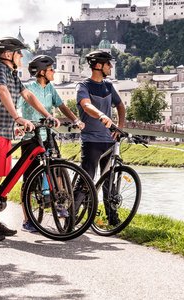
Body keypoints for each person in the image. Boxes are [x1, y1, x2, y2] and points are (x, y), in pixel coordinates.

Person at [0, 36, 54, 241]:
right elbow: (2, 91)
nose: (22, 57)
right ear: (9, 54)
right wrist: (18, 117)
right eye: (19, 53)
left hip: (4, 131)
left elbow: (28, 95)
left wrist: (47, 115)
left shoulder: (12, 74)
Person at [17, 55, 85, 232]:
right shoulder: (28, 88)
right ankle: (27, 220)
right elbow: (17, 107)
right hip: (30, 138)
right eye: (51, 69)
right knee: (29, 179)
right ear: (41, 72)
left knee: (58, 170)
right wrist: (20, 123)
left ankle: (61, 202)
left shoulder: (51, 88)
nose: (54, 72)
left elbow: (62, 106)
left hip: (47, 135)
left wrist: (76, 120)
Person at [75, 50, 126, 224]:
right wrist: (102, 115)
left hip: (109, 141)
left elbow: (120, 105)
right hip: (91, 141)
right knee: (86, 180)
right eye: (108, 63)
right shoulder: (83, 86)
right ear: (98, 65)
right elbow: (86, 105)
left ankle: (112, 218)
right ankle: (70, 218)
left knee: (109, 182)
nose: (111, 66)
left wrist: (119, 127)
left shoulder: (108, 85)